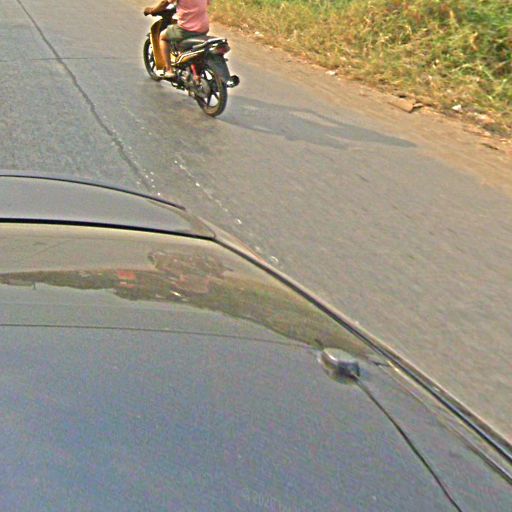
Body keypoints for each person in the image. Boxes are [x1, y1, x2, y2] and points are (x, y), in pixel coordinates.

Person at [144, 0, 210, 79]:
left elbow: (164, 3)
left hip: (186, 29)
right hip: (203, 27)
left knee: (163, 37)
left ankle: (169, 70)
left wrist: (152, 10)